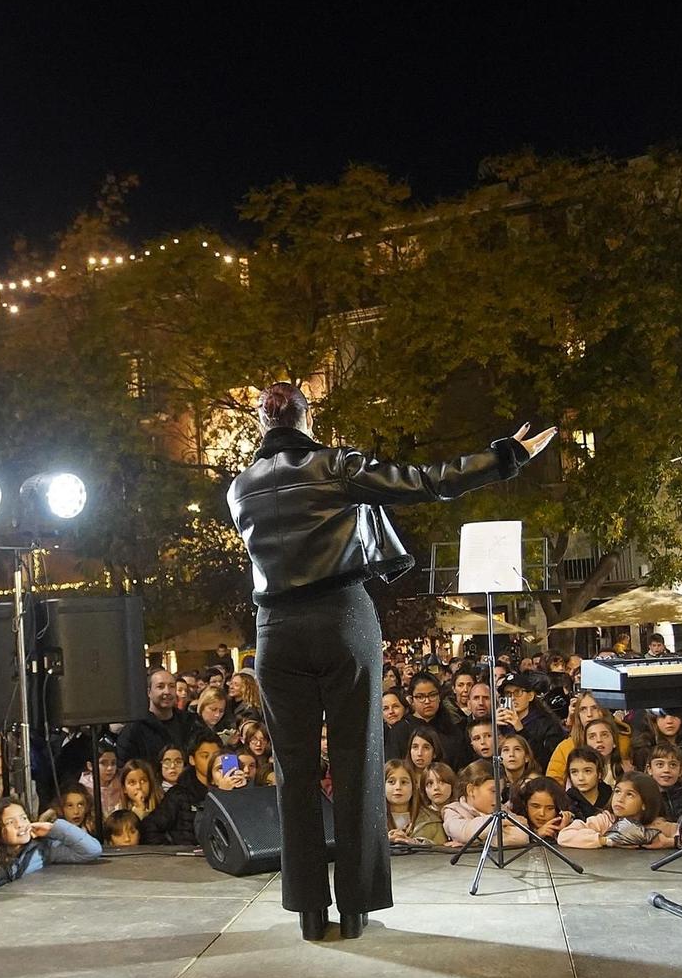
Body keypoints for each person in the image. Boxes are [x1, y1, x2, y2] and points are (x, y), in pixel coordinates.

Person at [229, 384, 551, 940]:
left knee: (294, 772)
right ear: (309, 418)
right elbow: (424, 482)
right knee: (357, 760)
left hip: (275, 631)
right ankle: (355, 909)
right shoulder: (333, 465)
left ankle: (309, 912)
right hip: (340, 618)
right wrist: (505, 457)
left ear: (261, 423)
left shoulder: (238, 488)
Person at [0, 796, 103, 880]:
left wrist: (54, 828)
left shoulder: (43, 849)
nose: (21, 825)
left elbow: (92, 850)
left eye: (23, 818)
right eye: (10, 822)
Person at [115, 668, 213, 773]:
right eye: (160, 687)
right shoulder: (134, 730)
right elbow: (124, 770)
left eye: (171, 686)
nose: (167, 691)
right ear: (149, 692)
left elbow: (216, 752)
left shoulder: (191, 722)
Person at [442, 759, 528, 850]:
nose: (500, 799)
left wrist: (474, 842)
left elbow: (522, 836)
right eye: (493, 791)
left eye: (500, 793)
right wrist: (501, 822)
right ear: (471, 790)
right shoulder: (452, 810)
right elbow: (464, 832)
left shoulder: (501, 809)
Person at [382, 758, 445, 848]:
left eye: (404, 782)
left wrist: (414, 842)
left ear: (414, 785)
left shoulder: (431, 820)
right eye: (391, 782)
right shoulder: (370, 821)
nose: (398, 787)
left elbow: (442, 854)